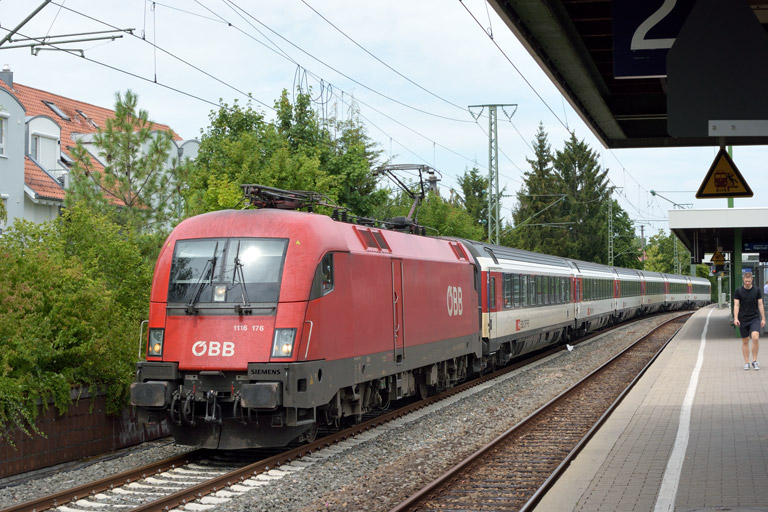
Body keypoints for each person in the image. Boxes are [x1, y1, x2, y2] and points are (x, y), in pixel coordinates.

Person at [734, 271, 766, 370]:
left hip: (755, 317)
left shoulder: (757, 290)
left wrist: (763, 318)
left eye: (749, 281)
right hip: (743, 318)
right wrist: (735, 318)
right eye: (746, 281)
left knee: (755, 337)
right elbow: (736, 305)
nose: (747, 283)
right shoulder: (738, 291)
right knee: (745, 340)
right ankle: (747, 362)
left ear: (752, 279)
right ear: (743, 279)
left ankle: (755, 361)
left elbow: (760, 304)